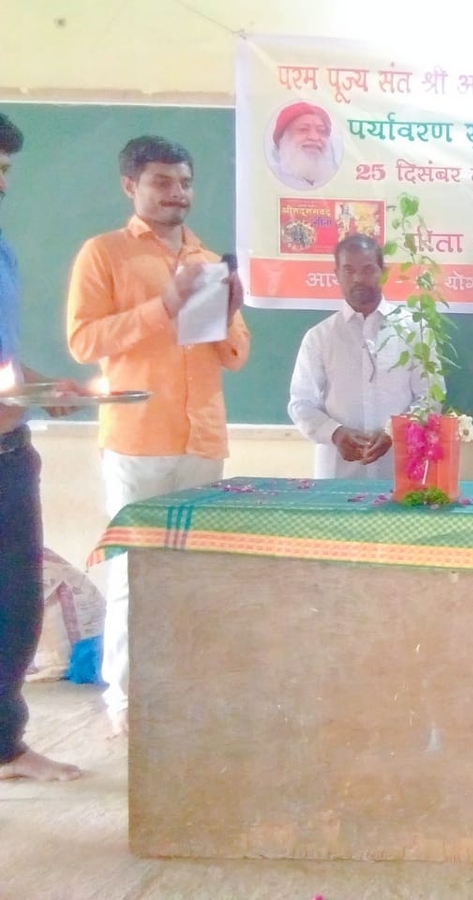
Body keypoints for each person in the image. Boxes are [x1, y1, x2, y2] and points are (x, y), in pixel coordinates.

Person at [66, 135, 251, 736]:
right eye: (163, 183)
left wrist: (224, 313)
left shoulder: (205, 256)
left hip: (202, 440)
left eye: (186, 183)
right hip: (138, 439)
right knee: (133, 577)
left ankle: (183, 696)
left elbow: (236, 355)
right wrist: (161, 307)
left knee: (190, 578)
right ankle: (125, 703)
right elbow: (83, 342)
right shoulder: (106, 254)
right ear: (132, 187)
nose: (179, 194)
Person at [0, 111, 82, 781]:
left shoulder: (3, 253)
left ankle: (6, 746)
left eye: (4, 171)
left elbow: (3, 363)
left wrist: (39, 384)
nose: (1, 182)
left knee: (18, 606)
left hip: (10, 454)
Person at [288, 234, 441, 479]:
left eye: (368, 269)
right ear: (336, 273)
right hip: (337, 475)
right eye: (348, 270)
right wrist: (335, 433)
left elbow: (431, 398)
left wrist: (395, 432)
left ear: (383, 271)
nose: (358, 278)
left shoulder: (414, 330)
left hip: (400, 470)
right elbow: (301, 403)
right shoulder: (319, 337)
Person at [268, 102, 338, 191]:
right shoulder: (269, 177)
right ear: (283, 138)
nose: (314, 137)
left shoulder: (336, 178)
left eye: (321, 131)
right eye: (303, 129)